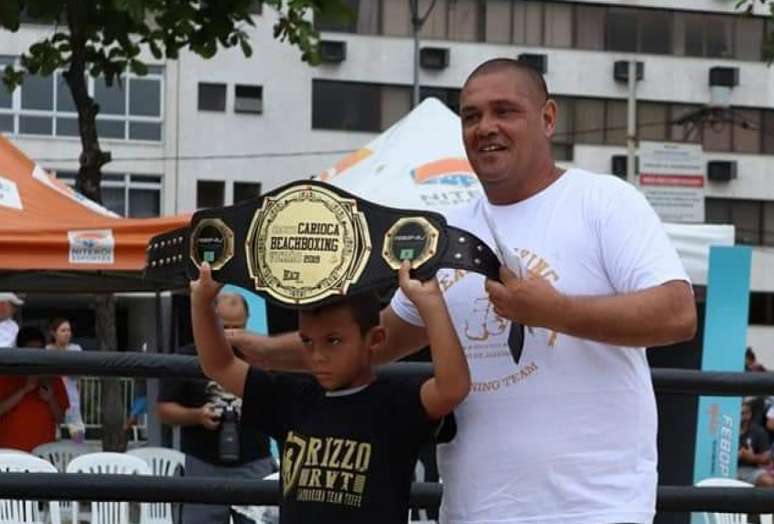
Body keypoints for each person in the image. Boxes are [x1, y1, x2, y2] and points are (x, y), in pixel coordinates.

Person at [226, 58, 697, 524]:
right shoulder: (444, 232)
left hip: (595, 507)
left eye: (504, 111)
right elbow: (378, 340)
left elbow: (676, 314)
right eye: (471, 116)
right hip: (474, 508)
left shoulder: (604, 201)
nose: (484, 127)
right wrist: (261, 351)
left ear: (548, 118)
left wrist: (555, 312)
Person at [191, 260, 469, 523]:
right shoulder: (291, 398)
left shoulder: (394, 403)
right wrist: (202, 302)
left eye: (333, 341)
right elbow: (220, 365)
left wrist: (430, 303)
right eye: (308, 342)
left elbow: (452, 387)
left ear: (375, 339)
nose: (319, 355)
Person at [157, 291, 276, 524]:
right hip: (202, 463)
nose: (231, 334)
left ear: (248, 320)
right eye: (225, 327)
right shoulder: (187, 356)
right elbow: (164, 410)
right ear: (211, 321)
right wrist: (197, 415)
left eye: (237, 327)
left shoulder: (264, 357)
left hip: (254, 460)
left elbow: (282, 405)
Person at [0, 326, 69, 451]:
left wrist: (51, 399)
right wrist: (24, 390)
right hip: (8, 452)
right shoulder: (6, 374)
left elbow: (61, 419)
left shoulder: (52, 377)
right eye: (30, 352)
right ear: (20, 351)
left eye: (38, 352)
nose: (33, 357)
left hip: (43, 452)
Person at [47, 318, 86, 442]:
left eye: (68, 330)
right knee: (53, 435)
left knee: (78, 435)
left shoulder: (76, 349)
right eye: (63, 330)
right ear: (54, 333)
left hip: (72, 399)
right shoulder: (47, 350)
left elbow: (79, 376)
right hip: (53, 398)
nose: (67, 333)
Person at [738, 400, 774, 486]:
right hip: (723, 470)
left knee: (769, 482)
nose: (742, 417)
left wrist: (752, 457)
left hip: (750, 470)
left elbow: (767, 459)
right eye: (739, 413)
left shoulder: (759, 432)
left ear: (749, 414)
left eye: (744, 413)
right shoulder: (723, 430)